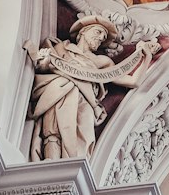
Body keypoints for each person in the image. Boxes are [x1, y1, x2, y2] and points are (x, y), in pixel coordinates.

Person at [24, 16, 155, 160]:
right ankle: (50, 163)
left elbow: (133, 81)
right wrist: (45, 61)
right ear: (83, 32)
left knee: (82, 141)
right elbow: (42, 67)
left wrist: (146, 57)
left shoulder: (101, 62)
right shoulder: (62, 48)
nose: (100, 38)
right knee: (53, 132)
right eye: (98, 32)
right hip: (59, 92)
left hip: (85, 102)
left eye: (103, 37)